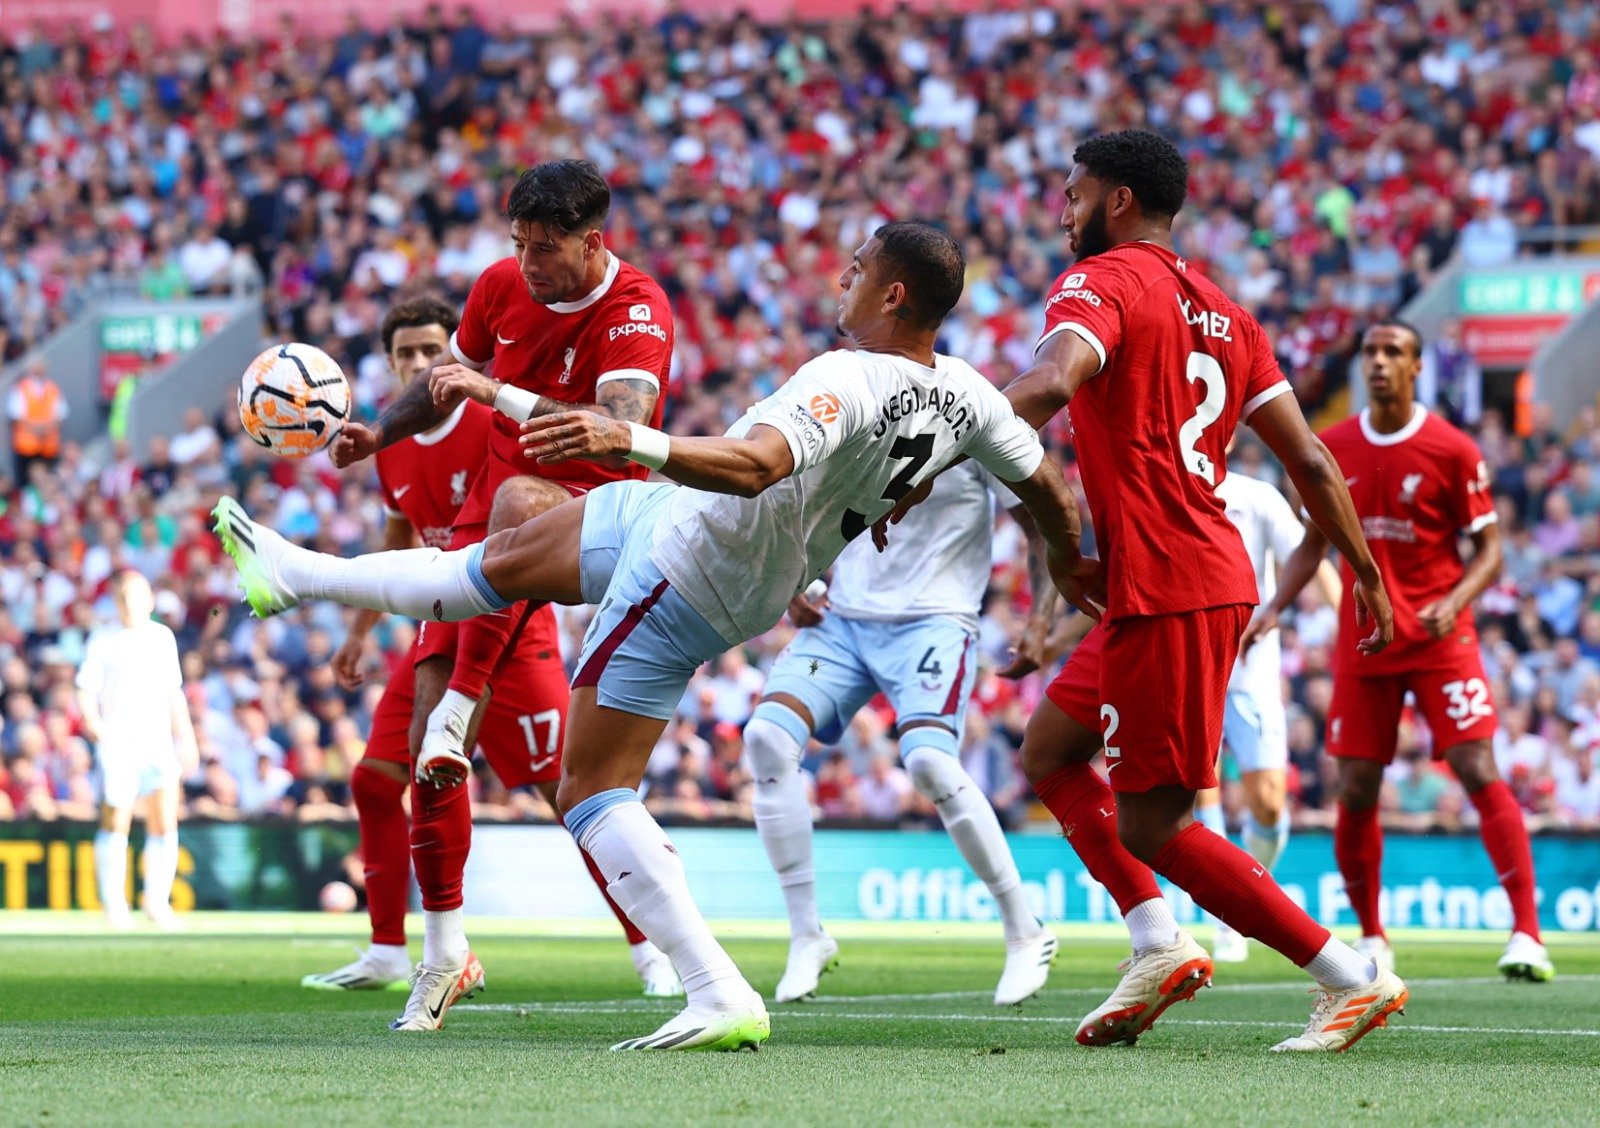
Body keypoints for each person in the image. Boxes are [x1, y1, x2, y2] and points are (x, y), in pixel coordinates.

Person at [213, 221, 1096, 1053]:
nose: (843, 277)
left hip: (701, 565)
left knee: (591, 786)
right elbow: (1051, 489)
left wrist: (625, 435)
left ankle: (714, 988)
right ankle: (298, 575)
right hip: (681, 520)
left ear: (894, 294)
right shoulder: (973, 395)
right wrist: (1067, 568)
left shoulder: (847, 375)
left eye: (858, 268)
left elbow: (754, 468)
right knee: (498, 560)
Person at [1002, 129, 1404, 1053]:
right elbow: (1308, 458)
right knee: (1051, 749)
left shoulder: (1096, 284)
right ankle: (1156, 941)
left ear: (1115, 201)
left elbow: (1054, 379)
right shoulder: (1229, 313)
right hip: (1191, 575)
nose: (1062, 212)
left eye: (1073, 194)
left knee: (1156, 823)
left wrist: (941, 436)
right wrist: (1366, 576)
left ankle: (1351, 979)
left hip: (1170, 582)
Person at [323, 161, 673, 1022]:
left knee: (519, 504)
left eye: (544, 249)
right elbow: (444, 386)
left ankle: (651, 943)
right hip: (494, 552)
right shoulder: (495, 288)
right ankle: (439, 956)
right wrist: (379, 433)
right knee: (428, 751)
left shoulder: (638, 308)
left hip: (598, 515)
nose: (526, 264)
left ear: (593, 242)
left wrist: (500, 395)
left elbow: (624, 434)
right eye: (516, 245)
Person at [1249, 320, 1554, 983]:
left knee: (1477, 765)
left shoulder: (1452, 449)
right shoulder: (1329, 447)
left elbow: (1492, 551)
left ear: (1417, 367)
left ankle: (1527, 933)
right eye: (1371, 353)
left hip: (1442, 637)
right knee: (1356, 787)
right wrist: (1275, 607)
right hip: (1365, 640)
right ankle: (1373, 935)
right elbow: (1311, 544)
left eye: (1394, 353)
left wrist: (1458, 598)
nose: (1380, 362)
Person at [744, 463, 1058, 1005]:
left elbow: (1042, 522)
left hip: (934, 621)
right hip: (841, 620)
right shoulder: (857, 394)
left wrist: (1039, 621)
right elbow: (802, 499)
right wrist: (793, 575)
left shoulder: (975, 411)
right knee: (767, 737)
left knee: (930, 763)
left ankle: (1024, 927)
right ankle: (806, 935)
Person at [1192, 435, 1342, 963]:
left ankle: (1247, 886)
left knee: (1270, 804)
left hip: (1252, 667)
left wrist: (1346, 615)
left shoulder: (1258, 497)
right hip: (1193, 662)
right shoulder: (1171, 488)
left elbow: (1307, 555)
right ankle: (1225, 913)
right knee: (1201, 783)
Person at [76, 570, 199, 929]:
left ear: (150, 599)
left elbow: (173, 694)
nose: (130, 604)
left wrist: (186, 738)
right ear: (116, 602)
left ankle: (157, 902)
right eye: (123, 597)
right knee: (117, 818)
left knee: (164, 820)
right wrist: (94, 723)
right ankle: (114, 903)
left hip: (157, 742)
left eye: (136, 596)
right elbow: (86, 688)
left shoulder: (162, 638)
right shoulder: (102, 639)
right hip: (118, 741)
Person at [8, 359, 67, 483]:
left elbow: (61, 415)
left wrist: (46, 429)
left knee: (50, 481)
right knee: (25, 483)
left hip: (49, 447)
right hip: (26, 448)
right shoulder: (21, 388)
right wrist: (36, 429)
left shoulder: (53, 388)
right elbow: (16, 417)